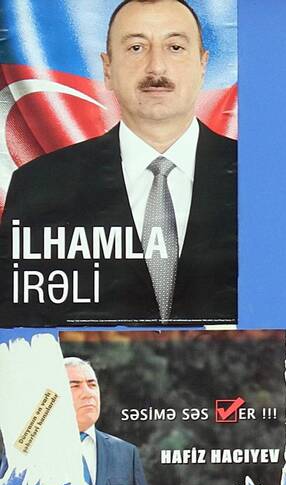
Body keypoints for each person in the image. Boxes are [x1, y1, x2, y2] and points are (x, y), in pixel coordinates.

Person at [0, 0, 237, 326]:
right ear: (108, 69)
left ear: (202, 65)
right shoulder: (39, 185)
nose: (157, 68)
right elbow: (18, 324)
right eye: (136, 48)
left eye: (175, 47)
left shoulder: (257, 181)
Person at [66, 356, 153, 485]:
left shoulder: (127, 454)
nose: (88, 394)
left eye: (92, 384)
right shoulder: (30, 454)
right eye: (75, 386)